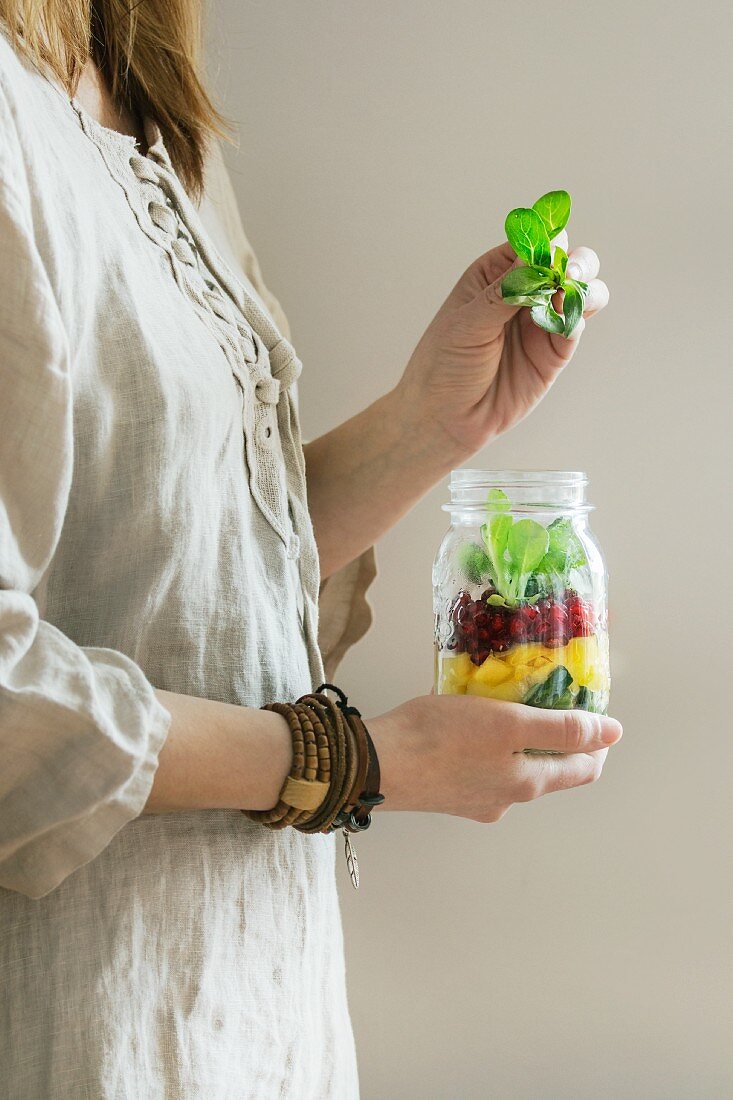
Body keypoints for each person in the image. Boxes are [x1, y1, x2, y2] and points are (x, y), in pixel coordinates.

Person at [0, 2, 622, 1097]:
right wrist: (348, 763)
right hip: (84, 1012)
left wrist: (429, 424)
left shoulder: (152, 101)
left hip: (255, 997)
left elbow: (194, 571)